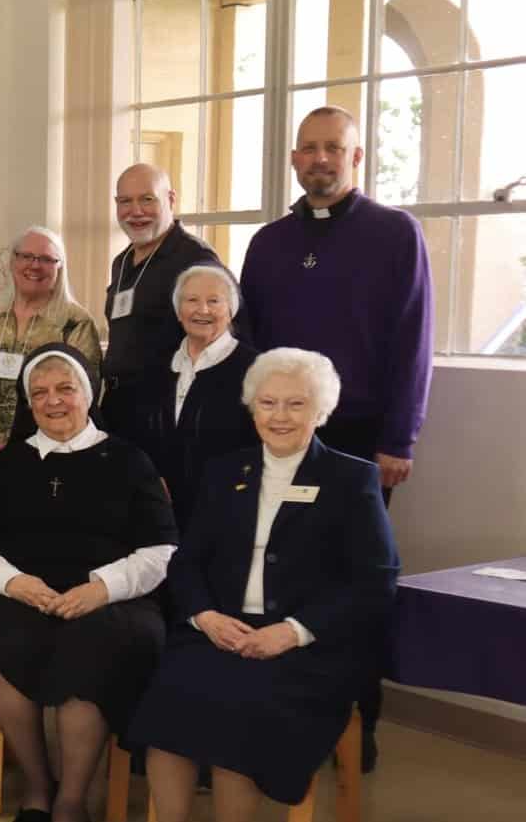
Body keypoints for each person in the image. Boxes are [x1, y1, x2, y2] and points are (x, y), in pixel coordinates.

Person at [116, 349, 398, 822]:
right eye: (268, 403)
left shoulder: (352, 479)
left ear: (322, 411)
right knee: (172, 696)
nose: (280, 415)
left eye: (297, 404)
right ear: (251, 409)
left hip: (304, 649)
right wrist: (203, 617)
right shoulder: (227, 471)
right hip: (221, 632)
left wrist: (290, 633)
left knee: (239, 709)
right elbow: (187, 562)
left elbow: (374, 580)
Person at [239, 106, 432, 767]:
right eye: (309, 149)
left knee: (353, 582)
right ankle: (282, 706)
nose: (320, 159)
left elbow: (414, 343)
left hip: (360, 441)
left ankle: (358, 720)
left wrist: (398, 440)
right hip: (279, 433)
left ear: (355, 158)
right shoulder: (268, 244)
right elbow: (251, 347)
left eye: (333, 148)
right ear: (294, 159)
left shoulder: (395, 234)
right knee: (278, 569)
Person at [0, 345, 177, 822]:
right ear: (28, 402)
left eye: (65, 389)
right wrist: (13, 583)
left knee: (93, 644)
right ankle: (38, 785)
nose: (53, 402)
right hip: (28, 593)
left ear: (88, 394)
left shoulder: (127, 459)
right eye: (40, 393)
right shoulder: (9, 463)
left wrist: (102, 587)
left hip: (111, 601)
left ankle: (72, 803)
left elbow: (163, 550)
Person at [0, 226, 102, 477]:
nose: (35, 266)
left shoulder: (75, 323)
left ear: (60, 267)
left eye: (46, 259)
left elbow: (84, 395)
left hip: (49, 452)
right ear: (13, 261)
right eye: (26, 256)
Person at [97, 165, 221, 442]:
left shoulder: (194, 260)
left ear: (171, 200)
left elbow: (219, 345)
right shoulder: (123, 261)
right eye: (125, 201)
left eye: (147, 199)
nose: (136, 211)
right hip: (120, 411)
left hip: (167, 419)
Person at [133, 264, 258, 532]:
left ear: (231, 309)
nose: (203, 310)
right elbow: (140, 437)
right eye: (192, 300)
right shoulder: (154, 367)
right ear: (179, 311)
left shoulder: (255, 369)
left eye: (214, 301)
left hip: (228, 514)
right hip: (160, 514)